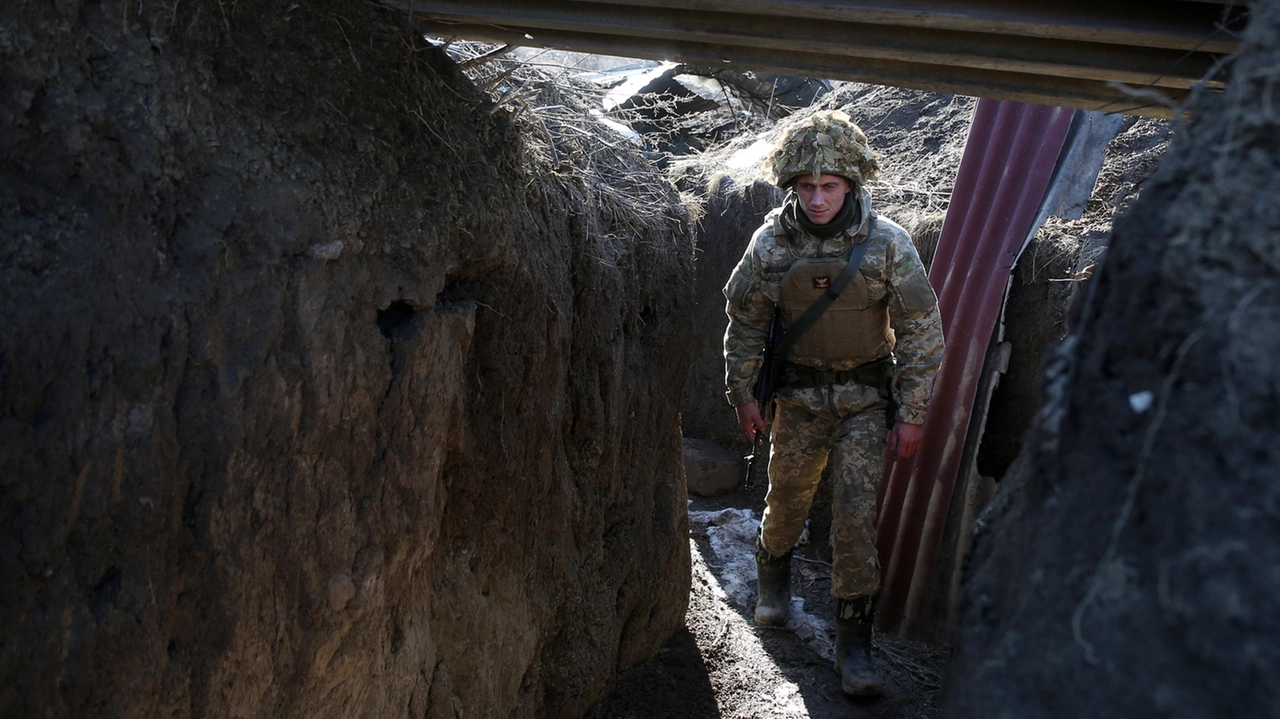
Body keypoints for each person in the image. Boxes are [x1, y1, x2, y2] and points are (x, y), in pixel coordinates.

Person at [721, 110, 944, 697]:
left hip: (865, 399)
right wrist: (742, 394)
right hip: (796, 399)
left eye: (829, 187)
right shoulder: (770, 243)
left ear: (851, 185)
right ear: (792, 186)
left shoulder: (887, 244)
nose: (817, 199)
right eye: (806, 187)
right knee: (787, 500)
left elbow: (921, 330)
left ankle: (855, 649)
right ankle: (773, 587)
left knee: (852, 518)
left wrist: (914, 413)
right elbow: (744, 323)